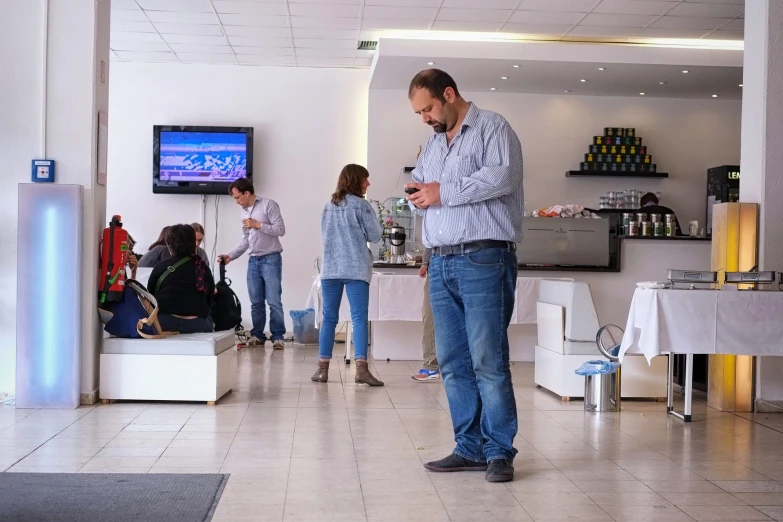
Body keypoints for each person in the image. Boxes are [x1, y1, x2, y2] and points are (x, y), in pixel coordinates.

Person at [405, 69, 524, 483]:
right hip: (440, 261)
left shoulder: (494, 128)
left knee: (488, 360)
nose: (424, 118)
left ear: (449, 94)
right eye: (419, 112)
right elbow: (426, 186)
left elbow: (502, 177)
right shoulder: (435, 142)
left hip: (484, 259)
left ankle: (499, 451)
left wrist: (442, 192)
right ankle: (469, 448)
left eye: (428, 108)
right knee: (453, 363)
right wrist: (420, 198)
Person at [311, 164, 384, 386]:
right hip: (356, 268)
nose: (368, 184)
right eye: (365, 180)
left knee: (329, 319)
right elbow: (376, 235)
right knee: (359, 318)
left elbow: (325, 234)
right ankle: (361, 370)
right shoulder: (362, 206)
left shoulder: (328, 205)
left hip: (331, 268)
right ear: (355, 180)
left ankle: (322, 370)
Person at [218, 178, 287, 349]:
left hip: (271, 258)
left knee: (273, 300)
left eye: (237, 198)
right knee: (256, 302)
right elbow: (245, 241)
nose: (236, 202)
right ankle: (257, 335)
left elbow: (280, 229)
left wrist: (258, 224)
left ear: (246, 193)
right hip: (253, 261)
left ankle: (278, 337)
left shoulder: (269, 205)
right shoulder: (243, 213)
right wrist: (230, 256)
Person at [148, 224, 215, 333]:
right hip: (198, 324)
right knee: (210, 321)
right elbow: (210, 298)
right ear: (193, 243)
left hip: (165, 322)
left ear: (170, 244)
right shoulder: (201, 266)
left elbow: (151, 295)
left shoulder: (161, 266)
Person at [412, 247, 440, 381]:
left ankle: (470, 367)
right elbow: (430, 238)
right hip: (437, 265)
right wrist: (425, 263)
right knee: (429, 318)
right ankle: (431, 366)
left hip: (468, 261)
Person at [140, 224, 208, 267]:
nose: (197, 244)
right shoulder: (163, 251)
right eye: (194, 239)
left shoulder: (201, 253)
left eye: (200, 240)